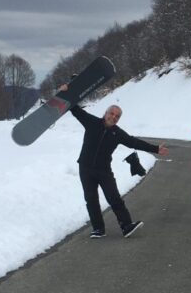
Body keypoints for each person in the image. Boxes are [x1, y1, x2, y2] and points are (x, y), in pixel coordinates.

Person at [63, 92, 169, 238]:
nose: (113, 117)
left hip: (104, 170)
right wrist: (69, 89)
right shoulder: (91, 122)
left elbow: (134, 142)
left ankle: (126, 226)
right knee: (91, 199)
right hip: (85, 168)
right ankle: (98, 229)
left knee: (113, 197)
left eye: (117, 116)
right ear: (105, 113)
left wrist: (155, 149)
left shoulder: (118, 133)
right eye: (111, 113)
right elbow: (75, 109)